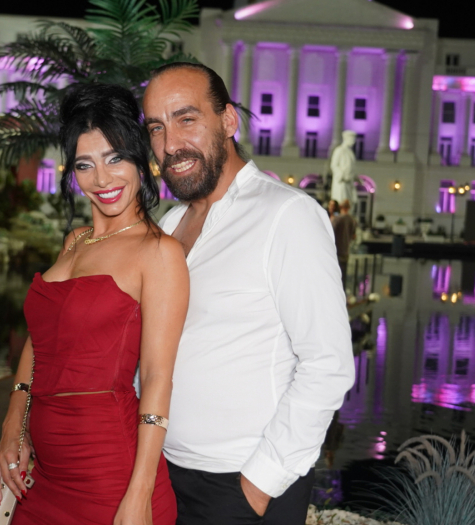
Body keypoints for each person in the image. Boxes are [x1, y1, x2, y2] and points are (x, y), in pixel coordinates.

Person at [142, 62, 355, 525]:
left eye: (186, 119)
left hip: (240, 488)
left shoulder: (287, 216)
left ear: (228, 121)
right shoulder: (170, 224)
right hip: (163, 473)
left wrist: (257, 486)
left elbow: (328, 364)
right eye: (156, 128)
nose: (170, 144)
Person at [0, 83, 189, 525]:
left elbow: (157, 378)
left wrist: (139, 494)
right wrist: (12, 426)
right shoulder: (75, 241)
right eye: (85, 164)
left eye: (115, 159)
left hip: (109, 473)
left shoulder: (159, 253)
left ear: (140, 161)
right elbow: (40, 343)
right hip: (43, 471)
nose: (102, 179)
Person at [331, 200, 357, 290]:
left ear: (340, 207)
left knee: (334, 276)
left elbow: (330, 233)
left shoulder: (337, 219)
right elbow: (354, 236)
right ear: (349, 208)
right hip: (346, 251)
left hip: (336, 251)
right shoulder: (352, 220)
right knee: (343, 277)